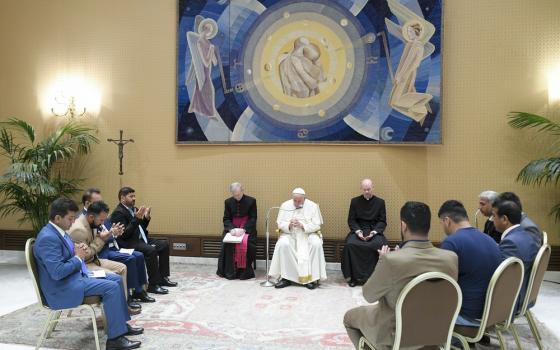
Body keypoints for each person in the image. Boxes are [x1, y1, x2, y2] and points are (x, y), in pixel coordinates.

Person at [343, 201, 458, 349]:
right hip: (436, 333)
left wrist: (382, 262)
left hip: (397, 335)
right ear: (428, 226)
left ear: (403, 225)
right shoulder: (451, 258)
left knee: (349, 318)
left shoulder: (391, 260)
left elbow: (368, 295)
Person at [34, 198, 143, 350]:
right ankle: (114, 340)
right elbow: (57, 272)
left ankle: (121, 326)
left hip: (74, 278)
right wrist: (79, 257)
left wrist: (79, 249)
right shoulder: (48, 238)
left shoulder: (58, 232)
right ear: (58, 218)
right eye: (70, 218)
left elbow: (67, 255)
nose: (73, 222)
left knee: (116, 278)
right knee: (110, 287)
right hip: (63, 288)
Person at [438, 200, 502, 343]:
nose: (442, 227)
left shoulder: (452, 242)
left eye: (441, 223)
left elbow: (442, 285)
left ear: (447, 220)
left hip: (467, 317)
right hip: (490, 315)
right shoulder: (490, 240)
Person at [82, 189, 154, 304]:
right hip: (102, 252)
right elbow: (95, 240)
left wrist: (115, 233)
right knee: (130, 259)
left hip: (114, 246)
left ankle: (139, 291)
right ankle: (128, 296)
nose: (101, 204)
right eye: (97, 202)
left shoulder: (101, 214)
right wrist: (111, 235)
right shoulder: (84, 220)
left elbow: (110, 232)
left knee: (139, 255)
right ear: (87, 204)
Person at [69, 201, 142, 314]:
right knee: (113, 276)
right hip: (85, 265)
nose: (102, 223)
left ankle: (123, 305)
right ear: (91, 216)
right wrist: (102, 239)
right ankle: (115, 312)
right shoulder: (79, 230)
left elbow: (94, 243)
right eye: (101, 220)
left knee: (122, 267)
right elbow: (85, 254)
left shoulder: (91, 222)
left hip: (94, 260)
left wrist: (108, 235)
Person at [111, 187, 177, 295]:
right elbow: (125, 234)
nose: (134, 198)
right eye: (131, 196)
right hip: (129, 243)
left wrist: (146, 218)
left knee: (164, 245)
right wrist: (136, 219)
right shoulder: (118, 213)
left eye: (134, 196)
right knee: (150, 250)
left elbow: (141, 227)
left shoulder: (134, 209)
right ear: (122, 198)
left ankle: (163, 278)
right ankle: (153, 285)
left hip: (140, 239)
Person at [269, 188, 327, 290]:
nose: (296, 203)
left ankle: (312, 278)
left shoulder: (312, 206)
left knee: (316, 244)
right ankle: (286, 278)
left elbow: (317, 225)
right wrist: (289, 225)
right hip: (290, 234)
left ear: (304, 198)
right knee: (283, 244)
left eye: (299, 201)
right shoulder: (285, 205)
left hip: (308, 234)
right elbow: (280, 223)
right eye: (295, 200)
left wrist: (303, 225)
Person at [492, 199, 540, 313]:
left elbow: (501, 277)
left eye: (493, 216)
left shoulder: (511, 243)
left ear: (504, 219)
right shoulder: (525, 236)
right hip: (524, 293)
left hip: (512, 300)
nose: (491, 219)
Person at [341, 179, 388, 287]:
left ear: (373, 188)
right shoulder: (355, 201)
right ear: (361, 189)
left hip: (374, 231)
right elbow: (351, 220)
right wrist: (358, 232)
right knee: (350, 245)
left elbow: (382, 221)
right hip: (358, 230)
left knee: (378, 245)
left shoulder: (380, 202)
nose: (366, 191)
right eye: (364, 189)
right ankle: (353, 277)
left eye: (369, 189)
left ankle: (375, 277)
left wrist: (373, 232)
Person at [217, 182, 257, 280]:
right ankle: (230, 272)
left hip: (247, 228)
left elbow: (253, 218)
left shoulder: (251, 201)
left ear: (242, 190)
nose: (237, 197)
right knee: (227, 243)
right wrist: (231, 229)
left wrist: (244, 229)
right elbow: (226, 218)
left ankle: (243, 272)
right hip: (233, 229)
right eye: (235, 195)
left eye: (238, 195)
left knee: (248, 243)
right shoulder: (228, 202)